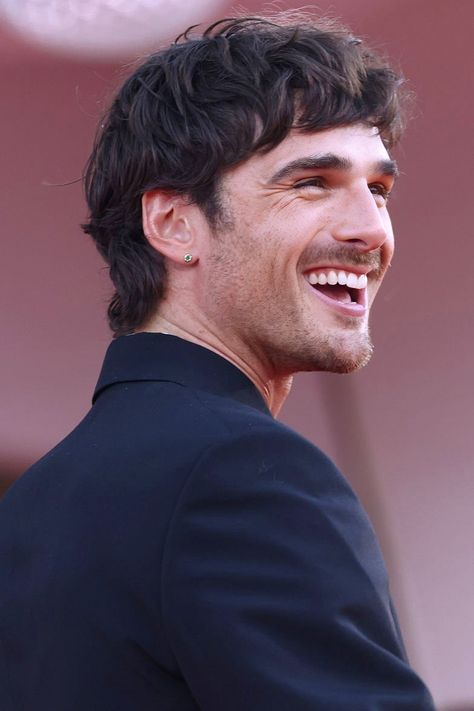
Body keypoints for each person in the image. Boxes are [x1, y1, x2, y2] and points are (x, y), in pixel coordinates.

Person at [0, 13, 436, 710]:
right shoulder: (242, 476)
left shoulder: (30, 506)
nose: (370, 229)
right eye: (312, 183)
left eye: (377, 190)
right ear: (174, 224)